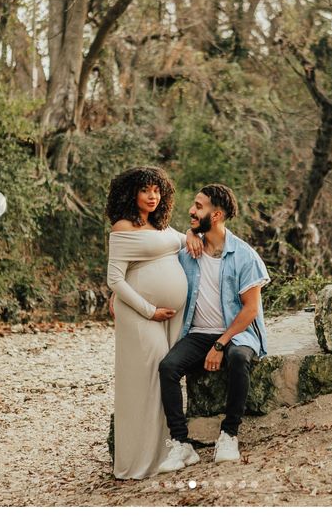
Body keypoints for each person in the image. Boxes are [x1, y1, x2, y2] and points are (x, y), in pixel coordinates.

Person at [158, 183, 270, 473]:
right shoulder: (188, 250)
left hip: (237, 333)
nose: (191, 211)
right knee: (168, 367)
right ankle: (181, 444)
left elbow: (250, 310)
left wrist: (220, 344)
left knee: (238, 358)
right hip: (197, 334)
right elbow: (152, 254)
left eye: (199, 206)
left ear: (216, 214)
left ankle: (229, 435)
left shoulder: (244, 255)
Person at [106, 166, 202, 480]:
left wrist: (188, 234)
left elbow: (181, 239)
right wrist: (149, 310)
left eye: (157, 190)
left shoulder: (161, 226)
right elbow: (115, 279)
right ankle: (139, 462)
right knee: (145, 381)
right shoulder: (123, 227)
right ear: (131, 193)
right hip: (141, 316)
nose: (152, 196)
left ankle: (169, 449)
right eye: (146, 190)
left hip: (168, 318)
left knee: (165, 376)